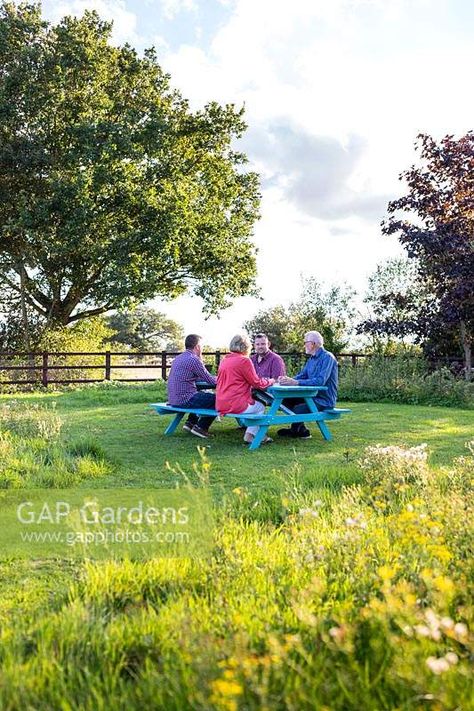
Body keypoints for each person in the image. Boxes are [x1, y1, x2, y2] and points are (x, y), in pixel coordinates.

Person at [277, 331, 338, 439]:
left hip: (323, 400)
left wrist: (296, 383)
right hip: (309, 396)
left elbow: (320, 381)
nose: (304, 344)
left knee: (297, 410)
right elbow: (303, 375)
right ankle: (300, 430)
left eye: (306, 342)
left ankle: (296, 430)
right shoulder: (311, 359)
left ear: (313, 343)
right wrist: (288, 380)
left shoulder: (328, 357)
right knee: (284, 400)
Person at [216, 334, 275, 445]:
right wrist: (271, 381)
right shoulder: (244, 361)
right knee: (260, 407)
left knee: (256, 406)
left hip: (221, 404)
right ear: (246, 347)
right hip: (236, 404)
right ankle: (252, 435)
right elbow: (257, 383)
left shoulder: (225, 360)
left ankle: (252, 434)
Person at [167, 334, 217, 439]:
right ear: (197, 346)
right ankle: (201, 427)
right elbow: (210, 380)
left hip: (173, 400)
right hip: (185, 400)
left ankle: (190, 423)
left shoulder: (178, 358)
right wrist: (225, 379)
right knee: (218, 399)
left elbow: (198, 377)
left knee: (202, 396)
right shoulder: (194, 360)